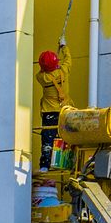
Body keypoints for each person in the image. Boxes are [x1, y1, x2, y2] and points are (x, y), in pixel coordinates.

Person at [36, 39, 72, 169]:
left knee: (48, 139)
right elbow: (68, 59)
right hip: (65, 111)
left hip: (49, 112)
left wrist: (47, 67)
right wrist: (64, 47)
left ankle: (45, 165)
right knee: (66, 137)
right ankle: (67, 164)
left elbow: (41, 72)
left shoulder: (41, 77)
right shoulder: (64, 71)